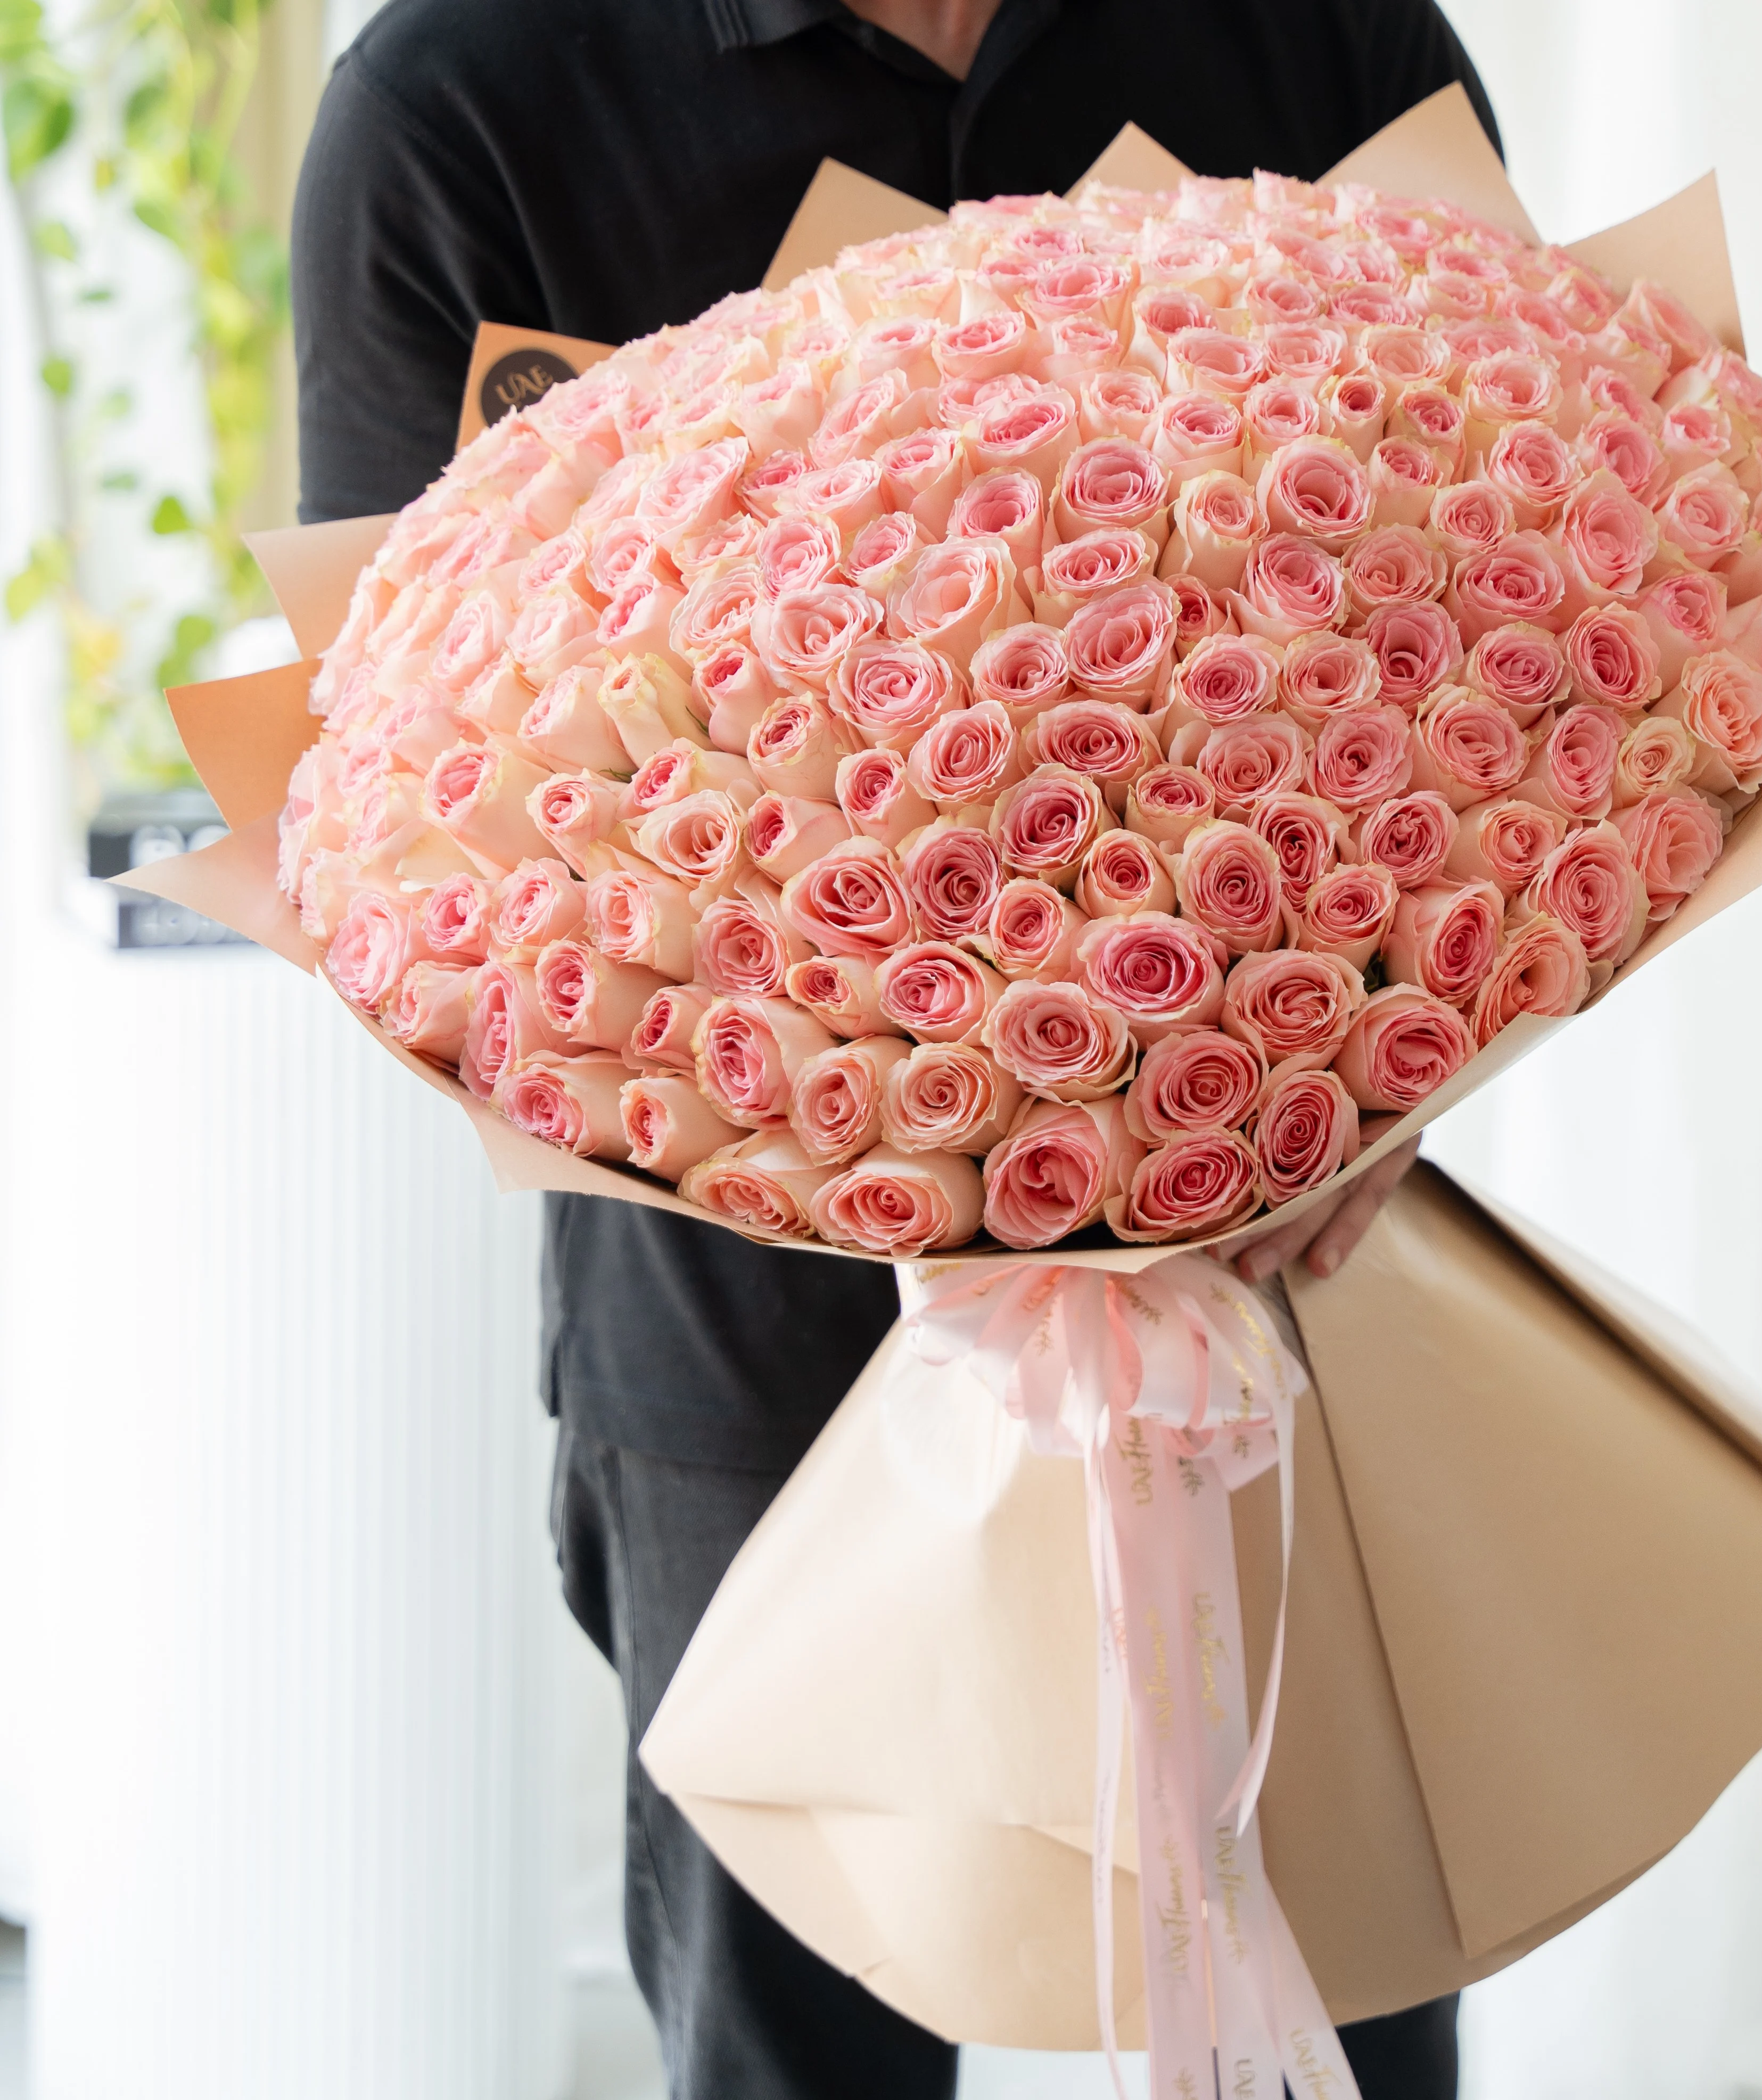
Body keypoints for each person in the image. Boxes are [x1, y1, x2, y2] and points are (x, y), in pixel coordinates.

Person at [292, 3, 1492, 2091]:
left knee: (1347, 2006)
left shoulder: (1315, 26)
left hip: (1285, 1236)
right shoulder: (461, 101)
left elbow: (1496, 586)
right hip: (737, 1332)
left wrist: (1399, 1054)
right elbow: (400, 798)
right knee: (802, 2049)